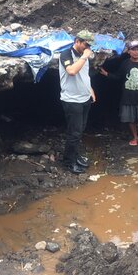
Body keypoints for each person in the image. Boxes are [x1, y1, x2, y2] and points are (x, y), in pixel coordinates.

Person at [99, 40, 138, 148]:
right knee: (130, 119)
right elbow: (119, 76)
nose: (136, 52)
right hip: (128, 96)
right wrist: (107, 74)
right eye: (133, 50)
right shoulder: (125, 63)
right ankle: (135, 137)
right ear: (129, 51)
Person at [58, 30, 97, 174]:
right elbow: (72, 71)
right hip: (72, 100)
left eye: (89, 46)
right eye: (86, 45)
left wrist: (90, 89)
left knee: (80, 130)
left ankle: (76, 155)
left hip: (84, 98)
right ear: (77, 41)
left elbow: (84, 75)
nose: (88, 48)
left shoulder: (84, 55)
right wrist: (84, 57)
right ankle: (68, 162)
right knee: (73, 133)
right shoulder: (66, 54)